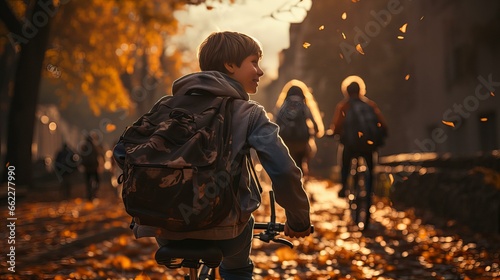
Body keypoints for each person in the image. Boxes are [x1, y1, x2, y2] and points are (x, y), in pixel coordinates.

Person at [117, 31, 312, 279]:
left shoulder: (166, 107)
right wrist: (298, 220)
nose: (260, 71)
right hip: (226, 232)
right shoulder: (249, 113)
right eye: (254, 62)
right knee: (237, 266)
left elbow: (123, 152)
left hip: (163, 228)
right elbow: (284, 170)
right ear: (230, 65)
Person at [329, 75, 387, 229]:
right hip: (368, 147)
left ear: (346, 91)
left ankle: (343, 186)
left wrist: (333, 133)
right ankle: (370, 190)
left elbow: (336, 127)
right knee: (370, 171)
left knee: (344, 164)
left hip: (351, 146)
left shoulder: (344, 106)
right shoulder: (369, 105)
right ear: (361, 90)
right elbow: (382, 125)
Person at [274, 79, 324, 180]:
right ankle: (300, 184)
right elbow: (314, 121)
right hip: (302, 142)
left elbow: (277, 123)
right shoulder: (304, 106)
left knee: (287, 164)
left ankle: (288, 185)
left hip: (286, 142)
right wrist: (317, 131)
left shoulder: (283, 106)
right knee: (301, 163)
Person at [81, 133, 104, 201]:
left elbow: (81, 157)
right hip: (94, 167)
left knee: (88, 182)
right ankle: (94, 192)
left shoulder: (84, 147)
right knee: (97, 181)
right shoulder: (94, 146)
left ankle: (89, 194)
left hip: (87, 168)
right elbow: (98, 155)